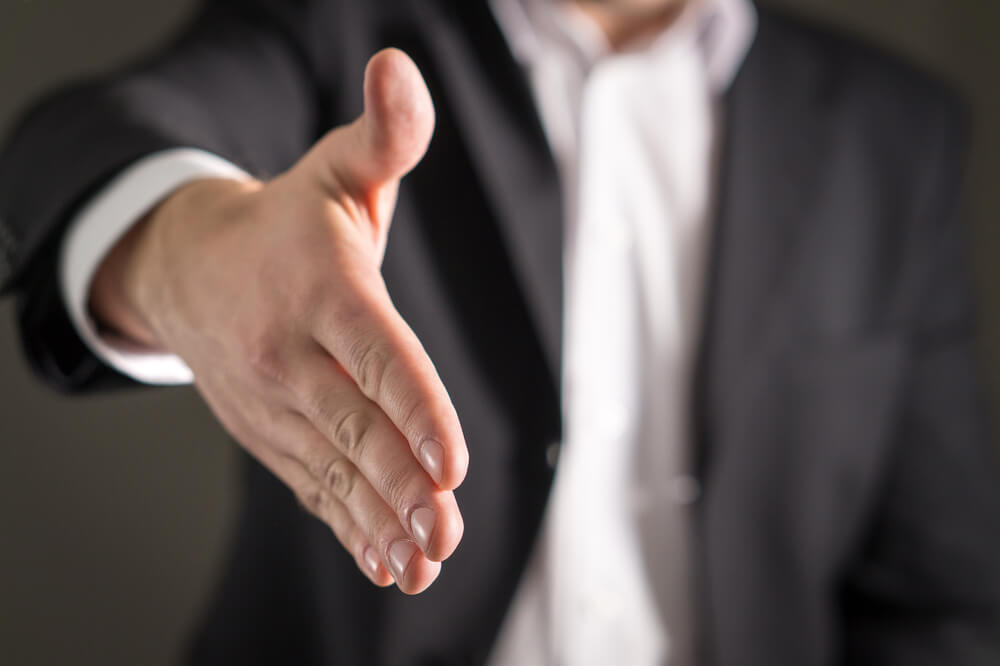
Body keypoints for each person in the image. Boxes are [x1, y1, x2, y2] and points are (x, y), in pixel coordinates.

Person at [1, 0, 998, 663]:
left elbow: (937, 596)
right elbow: (79, 137)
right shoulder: (339, 25)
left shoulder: (891, 135)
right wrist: (187, 255)